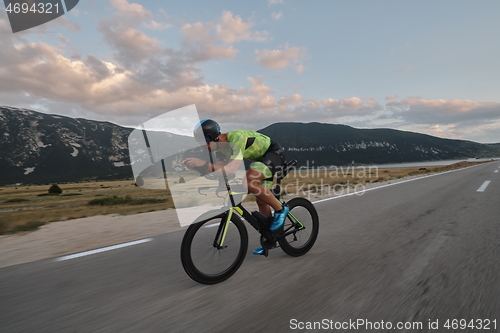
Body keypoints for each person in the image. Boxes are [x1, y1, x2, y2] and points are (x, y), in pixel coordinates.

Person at [183, 119, 289, 255]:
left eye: (205, 142)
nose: (204, 147)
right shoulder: (219, 151)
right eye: (201, 144)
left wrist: (203, 163)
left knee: (248, 182)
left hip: (273, 153)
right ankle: (271, 238)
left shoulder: (236, 138)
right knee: (261, 201)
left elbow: (231, 169)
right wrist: (200, 168)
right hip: (260, 161)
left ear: (215, 136)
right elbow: (221, 169)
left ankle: (281, 209)